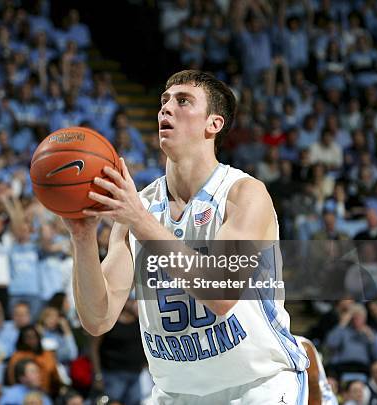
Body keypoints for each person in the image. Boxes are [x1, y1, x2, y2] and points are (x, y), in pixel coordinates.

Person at [60, 70, 309, 403]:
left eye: (183, 101)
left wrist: (139, 220)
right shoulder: (140, 204)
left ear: (214, 124)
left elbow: (221, 293)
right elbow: (97, 318)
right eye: (164, 101)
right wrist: (83, 238)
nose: (166, 109)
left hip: (257, 387)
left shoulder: (244, 194)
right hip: (176, 394)